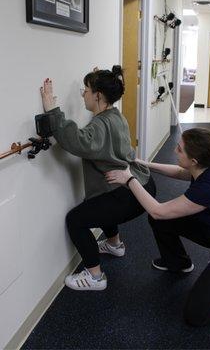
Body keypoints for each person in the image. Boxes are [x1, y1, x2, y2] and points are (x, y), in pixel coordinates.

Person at [105, 127, 210, 326]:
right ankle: (178, 262)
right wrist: (143, 164)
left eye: (180, 149)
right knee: (161, 222)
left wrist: (129, 180)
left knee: (195, 314)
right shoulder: (207, 166)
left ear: (194, 161)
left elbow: (157, 210)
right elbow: (181, 172)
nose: (175, 151)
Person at [40, 66, 156, 291]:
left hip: (129, 197)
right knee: (102, 197)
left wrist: (53, 110)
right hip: (144, 185)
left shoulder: (99, 125)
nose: (83, 94)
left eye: (86, 90)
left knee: (76, 220)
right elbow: (95, 136)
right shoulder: (115, 115)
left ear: (98, 95)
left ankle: (95, 276)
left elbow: (77, 141)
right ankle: (115, 244)